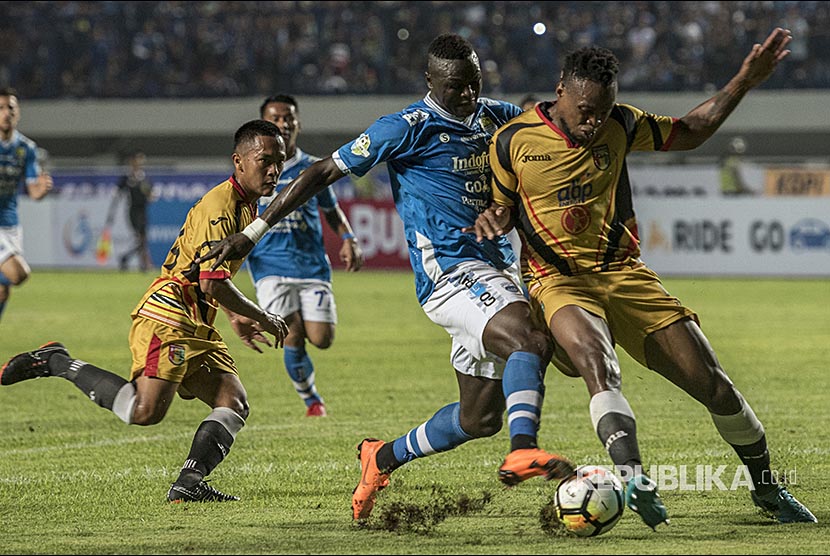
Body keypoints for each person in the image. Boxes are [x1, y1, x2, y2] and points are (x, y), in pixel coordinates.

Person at [196, 33, 576, 521]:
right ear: (432, 81)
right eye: (457, 86)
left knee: (477, 418)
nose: (468, 94)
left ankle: (382, 457)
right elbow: (318, 174)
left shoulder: (496, 115)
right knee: (529, 337)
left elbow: (547, 127)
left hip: (495, 271)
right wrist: (251, 233)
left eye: (475, 83)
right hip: (450, 272)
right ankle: (524, 448)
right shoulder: (404, 128)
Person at [467, 28, 816, 527]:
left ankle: (766, 489)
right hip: (559, 281)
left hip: (625, 275)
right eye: (586, 110)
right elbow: (499, 206)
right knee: (598, 364)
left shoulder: (623, 124)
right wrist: (495, 218)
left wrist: (744, 79)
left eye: (603, 111)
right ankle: (633, 476)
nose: (594, 122)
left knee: (716, 388)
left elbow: (693, 130)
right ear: (561, 89)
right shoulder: (512, 141)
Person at [0, 119, 290, 503]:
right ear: (239, 161)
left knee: (233, 401)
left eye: (279, 162)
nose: (273, 170)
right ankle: (58, 362)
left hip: (198, 318)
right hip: (170, 313)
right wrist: (260, 316)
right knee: (144, 411)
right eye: (264, 160)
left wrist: (234, 314)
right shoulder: (222, 207)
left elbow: (209, 273)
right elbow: (211, 281)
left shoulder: (246, 205)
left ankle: (188, 484)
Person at [250, 94, 364, 417]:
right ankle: (312, 401)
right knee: (292, 334)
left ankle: (310, 388)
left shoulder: (312, 169)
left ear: (298, 124)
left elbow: (331, 211)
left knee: (322, 337)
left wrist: (348, 237)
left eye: (289, 118)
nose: (283, 124)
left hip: (312, 267)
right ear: (264, 124)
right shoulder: (254, 170)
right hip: (270, 269)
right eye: (276, 118)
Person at [0, 87, 54, 323]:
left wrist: (42, 190)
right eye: (0, 108)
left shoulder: (26, 149)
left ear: (18, 112)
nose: (5, 113)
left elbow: (33, 191)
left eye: (10, 108)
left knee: (3, 290)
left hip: (11, 225)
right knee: (18, 273)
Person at [106, 150, 155, 271]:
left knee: (143, 239)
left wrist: (149, 195)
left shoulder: (144, 177)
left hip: (143, 210)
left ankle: (131, 260)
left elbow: (151, 195)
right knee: (140, 238)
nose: (139, 163)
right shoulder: (127, 177)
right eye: (137, 160)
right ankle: (144, 264)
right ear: (132, 162)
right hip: (133, 211)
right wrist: (112, 213)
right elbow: (117, 193)